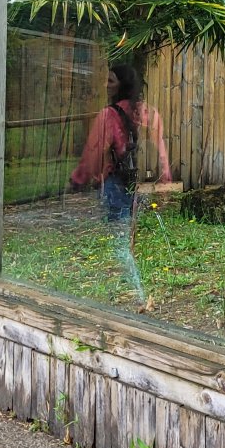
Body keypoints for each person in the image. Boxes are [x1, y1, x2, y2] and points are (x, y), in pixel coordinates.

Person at [69, 63, 171, 299]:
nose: (106, 85)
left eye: (111, 81)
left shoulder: (109, 115)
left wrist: (78, 179)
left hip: (115, 182)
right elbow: (161, 148)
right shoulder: (148, 113)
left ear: (121, 85)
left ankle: (132, 290)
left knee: (117, 239)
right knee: (131, 236)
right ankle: (137, 287)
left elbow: (94, 153)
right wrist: (165, 177)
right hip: (138, 183)